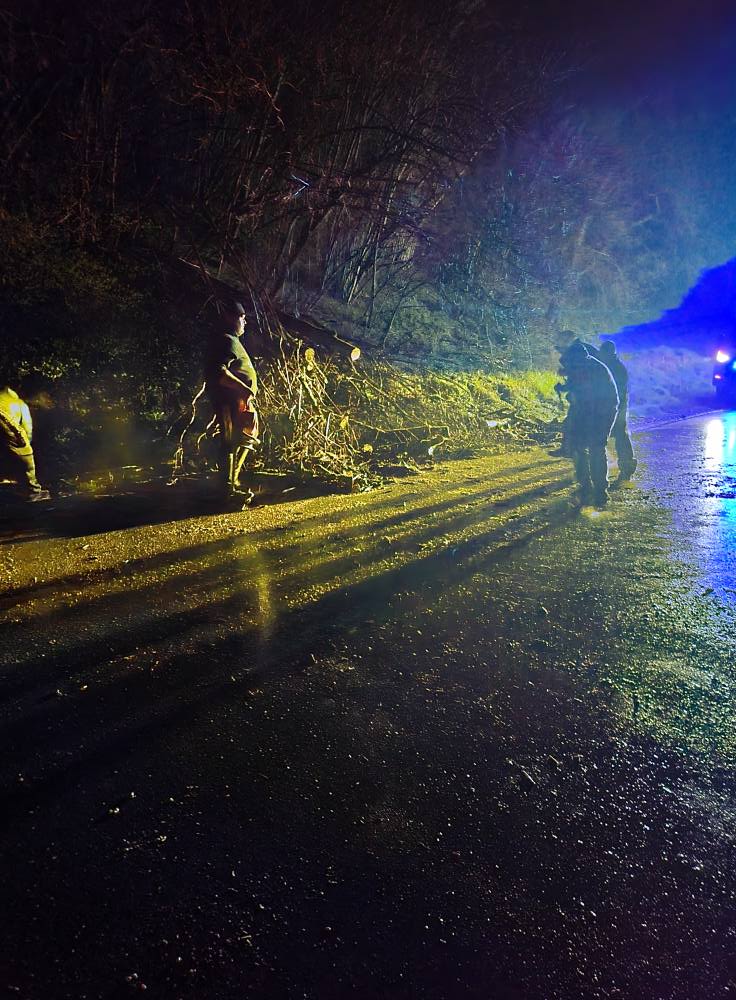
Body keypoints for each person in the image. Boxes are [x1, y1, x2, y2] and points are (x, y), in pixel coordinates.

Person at [203, 300, 260, 497]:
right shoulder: (226, 340)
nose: (245, 322)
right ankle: (226, 490)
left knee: (245, 438)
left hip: (240, 402)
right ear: (230, 318)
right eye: (242, 318)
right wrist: (243, 388)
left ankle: (232, 483)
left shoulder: (234, 341)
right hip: (229, 401)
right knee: (230, 441)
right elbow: (217, 372)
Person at [560, 341, 619, 507]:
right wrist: (565, 388)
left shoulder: (595, 369)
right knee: (578, 447)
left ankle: (600, 491)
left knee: (596, 447)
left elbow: (588, 396)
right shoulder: (581, 365)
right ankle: (585, 487)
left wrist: (573, 397)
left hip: (604, 411)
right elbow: (575, 385)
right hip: (589, 410)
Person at [0, 382, 50, 501]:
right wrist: (26, 448)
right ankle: (33, 491)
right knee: (24, 450)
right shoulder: (20, 404)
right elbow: (27, 430)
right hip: (6, 425)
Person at [598, 340, 637, 482]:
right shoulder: (612, 366)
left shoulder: (616, 368)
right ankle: (626, 468)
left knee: (620, 436)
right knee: (620, 436)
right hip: (613, 406)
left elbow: (618, 391)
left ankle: (627, 468)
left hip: (617, 407)